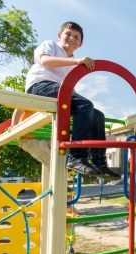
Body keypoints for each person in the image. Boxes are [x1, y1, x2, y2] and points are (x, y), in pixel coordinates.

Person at [24, 21, 120, 179]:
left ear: (80, 43)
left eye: (76, 37)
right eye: (68, 34)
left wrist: (76, 63)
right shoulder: (51, 46)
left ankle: (99, 162)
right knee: (85, 104)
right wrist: (77, 61)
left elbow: (69, 88)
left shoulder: (74, 63)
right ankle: (76, 157)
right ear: (59, 35)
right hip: (40, 86)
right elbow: (45, 61)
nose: (71, 38)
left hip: (59, 91)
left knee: (97, 116)